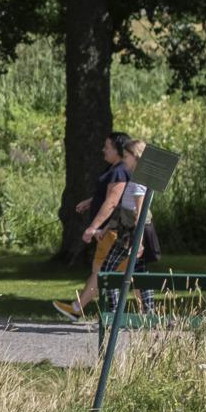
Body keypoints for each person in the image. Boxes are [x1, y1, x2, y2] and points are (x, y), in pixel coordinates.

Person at [54, 132, 150, 321]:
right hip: (121, 230)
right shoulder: (124, 172)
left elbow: (116, 203)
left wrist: (95, 227)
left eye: (108, 147)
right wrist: (95, 209)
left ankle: (105, 312)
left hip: (126, 233)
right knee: (118, 271)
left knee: (108, 271)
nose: (103, 150)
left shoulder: (123, 173)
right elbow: (120, 204)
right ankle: (138, 314)